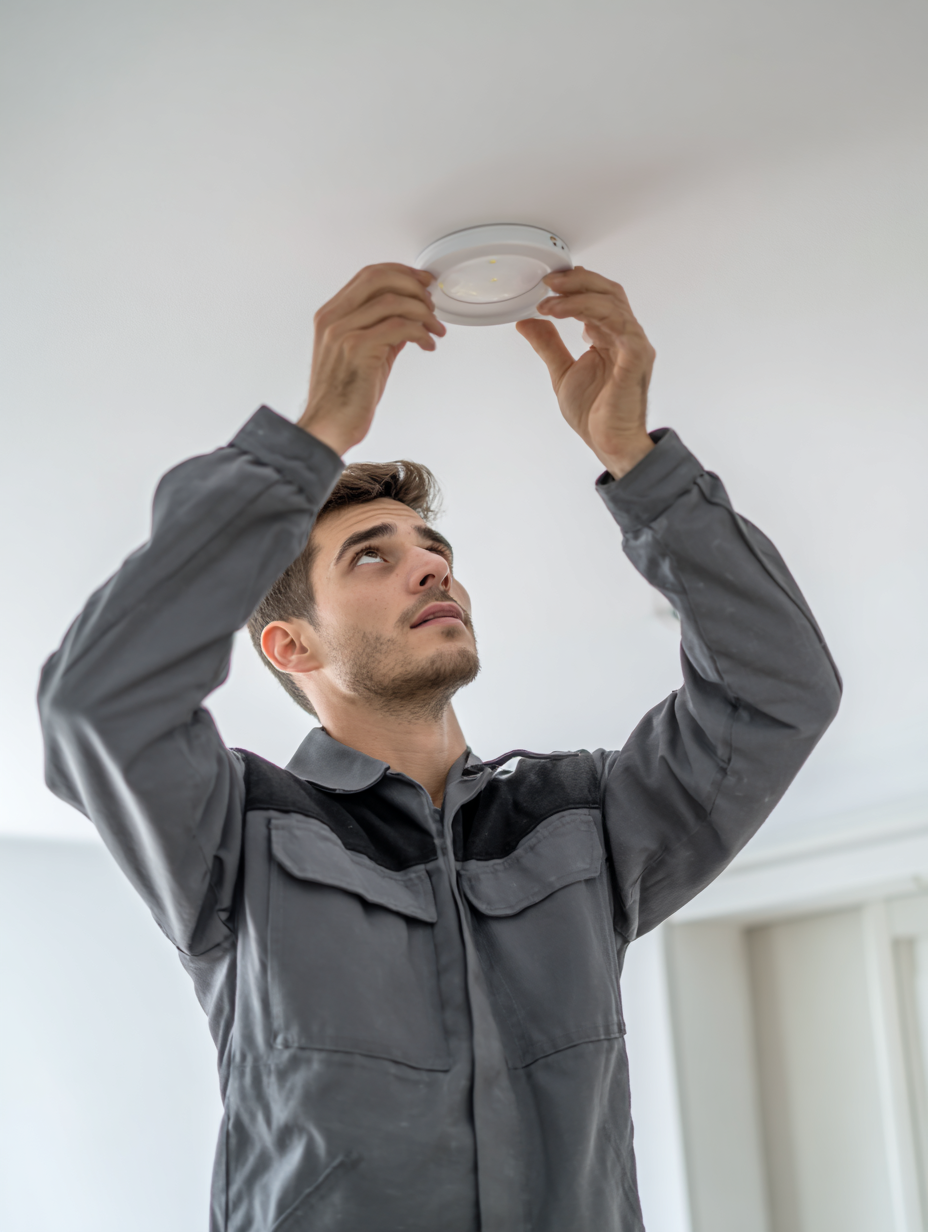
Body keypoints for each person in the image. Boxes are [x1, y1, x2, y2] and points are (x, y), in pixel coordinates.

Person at [38, 263, 841, 1232]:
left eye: (434, 547)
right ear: (291, 644)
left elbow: (776, 692)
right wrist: (309, 440)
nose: (428, 562)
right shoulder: (232, 831)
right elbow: (98, 703)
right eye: (370, 553)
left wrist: (638, 460)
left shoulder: (586, 823)